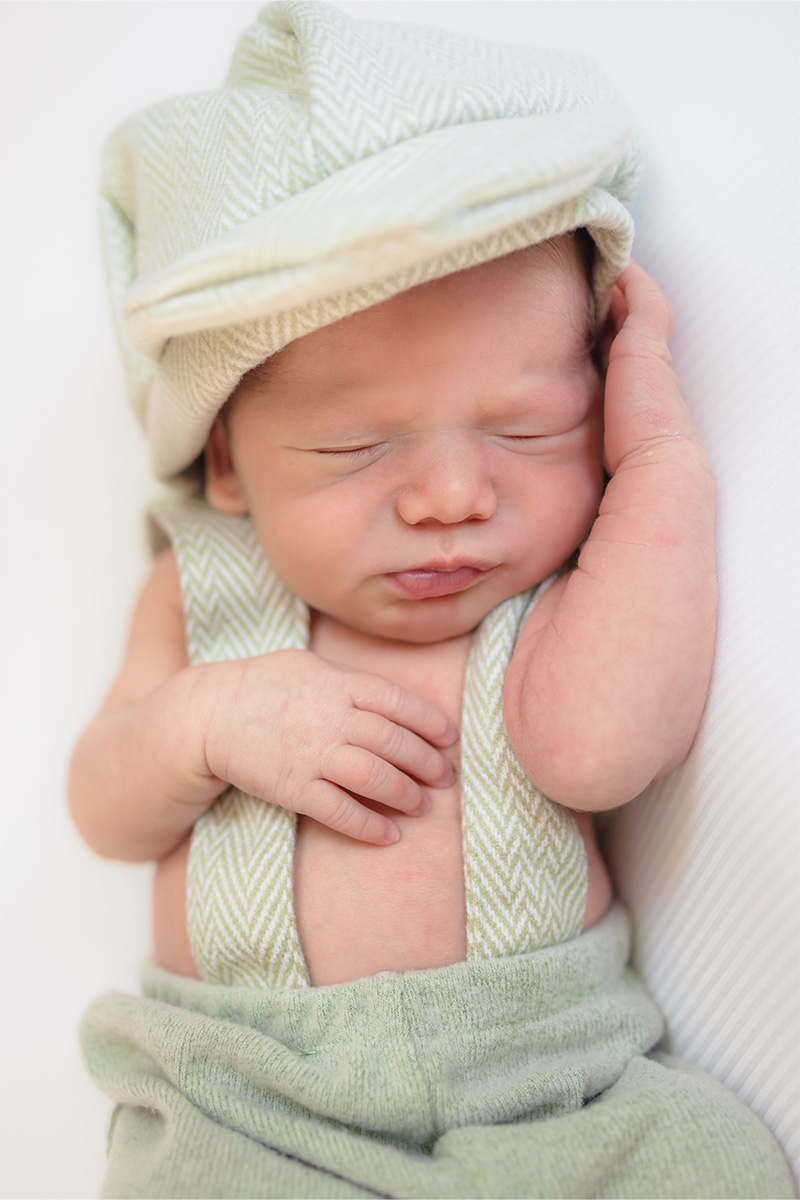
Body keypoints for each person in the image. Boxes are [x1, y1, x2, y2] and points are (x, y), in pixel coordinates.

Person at [70, 4, 796, 1197]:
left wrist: (659, 459)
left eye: (528, 427)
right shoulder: (195, 593)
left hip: (552, 1079)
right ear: (227, 465)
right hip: (246, 1098)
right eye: (354, 449)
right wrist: (204, 723)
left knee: (711, 1162)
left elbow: (598, 749)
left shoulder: (558, 589)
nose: (456, 496)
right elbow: (108, 808)